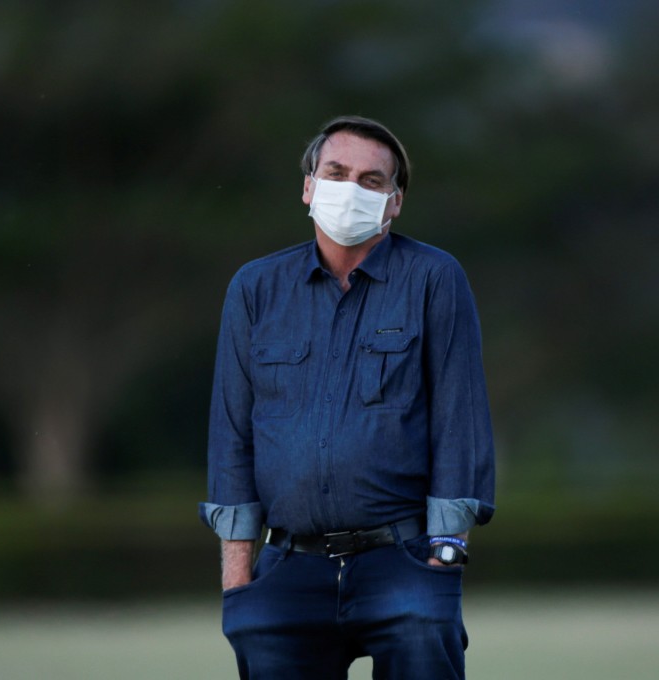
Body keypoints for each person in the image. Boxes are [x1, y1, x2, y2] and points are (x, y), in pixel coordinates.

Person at [199, 115, 496, 680]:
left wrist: (443, 560)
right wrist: (239, 589)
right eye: (336, 172)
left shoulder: (435, 278)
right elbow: (232, 437)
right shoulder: (255, 289)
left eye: (371, 180)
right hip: (287, 569)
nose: (351, 189)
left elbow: (460, 427)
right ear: (309, 187)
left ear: (394, 202)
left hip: (404, 562)